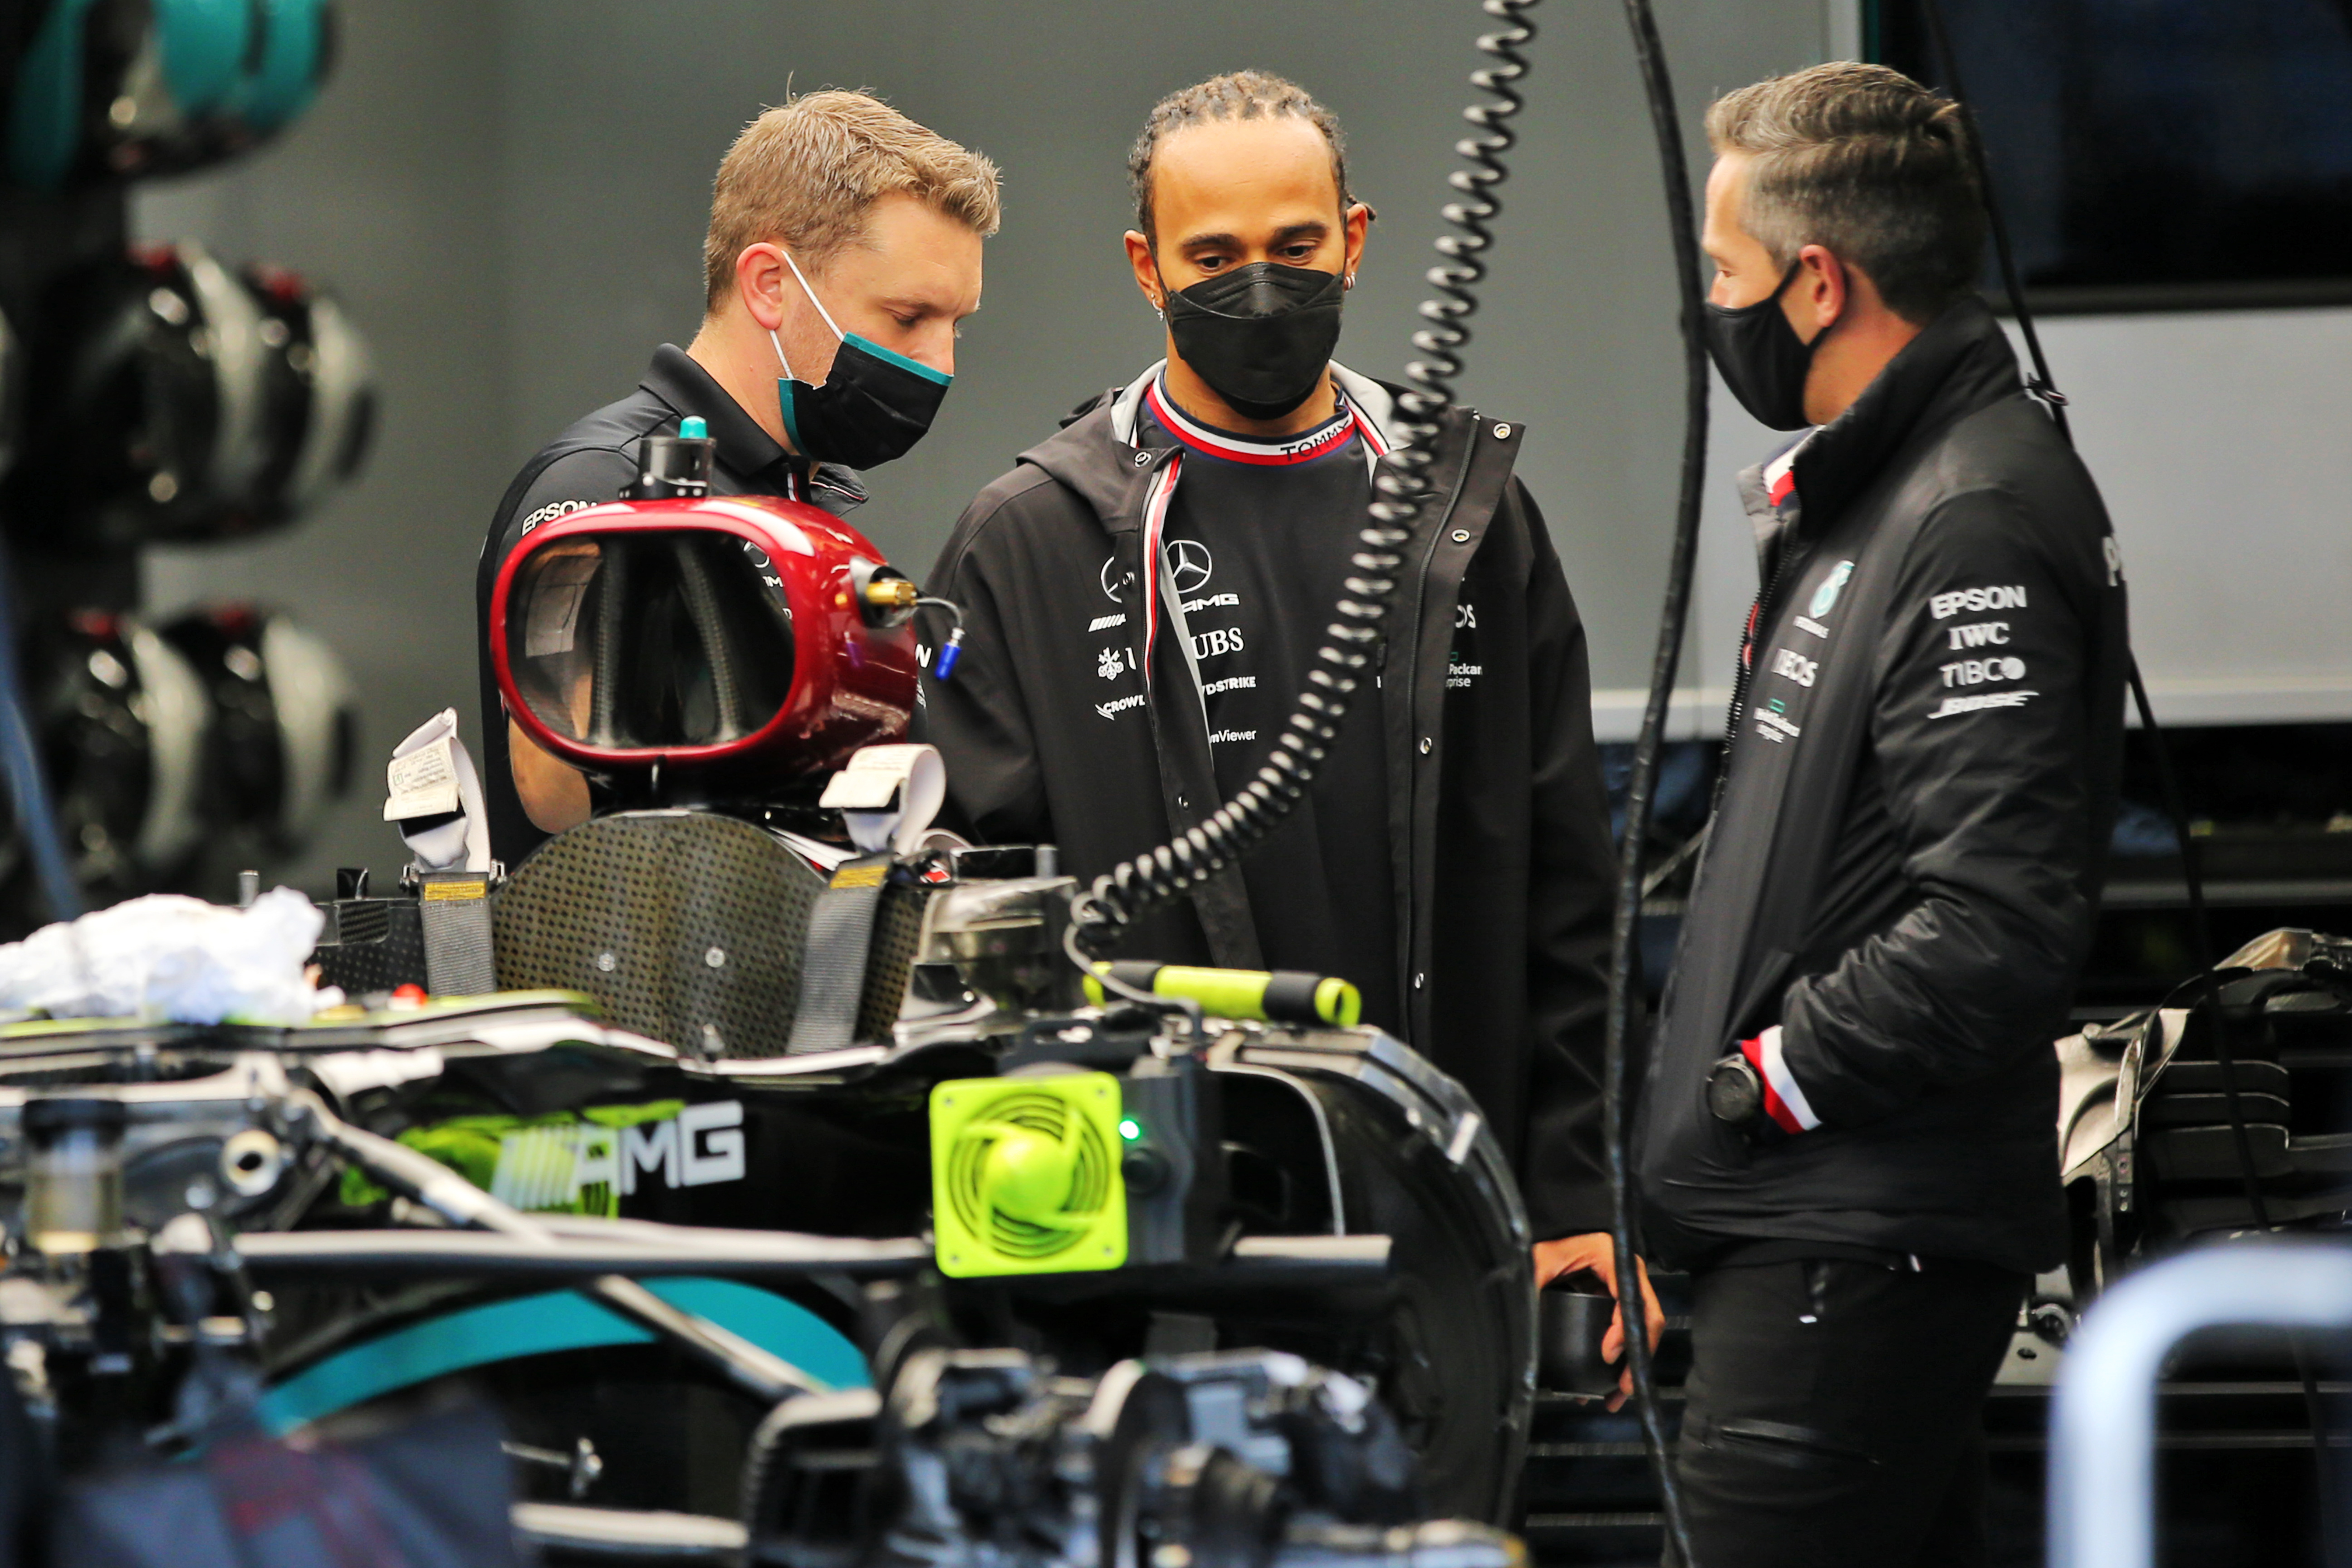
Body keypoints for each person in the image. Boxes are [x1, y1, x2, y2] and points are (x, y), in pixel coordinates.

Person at [920, 69, 1660, 1394]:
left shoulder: (1465, 517)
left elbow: (1568, 893)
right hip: (1150, 1267)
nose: (1258, 287)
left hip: (1452, 1234)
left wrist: (1578, 1190)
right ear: (1147, 269)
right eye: (1214, 256)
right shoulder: (1028, 540)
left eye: (1294, 248)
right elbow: (977, 938)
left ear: (1356, 242)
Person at [1637, 62, 2129, 1568]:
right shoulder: (1883, 489)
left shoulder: (1967, 509)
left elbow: (1992, 921)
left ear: (1816, 282)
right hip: (1814, 1241)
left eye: (1718, 274)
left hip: (1844, 1248)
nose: (1703, 308)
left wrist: (1755, 1090)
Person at [475, 90, 998, 865]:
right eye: (908, 317)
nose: (942, 362)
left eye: (957, 325)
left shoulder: (811, 500)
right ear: (769, 285)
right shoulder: (601, 487)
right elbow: (555, 794)